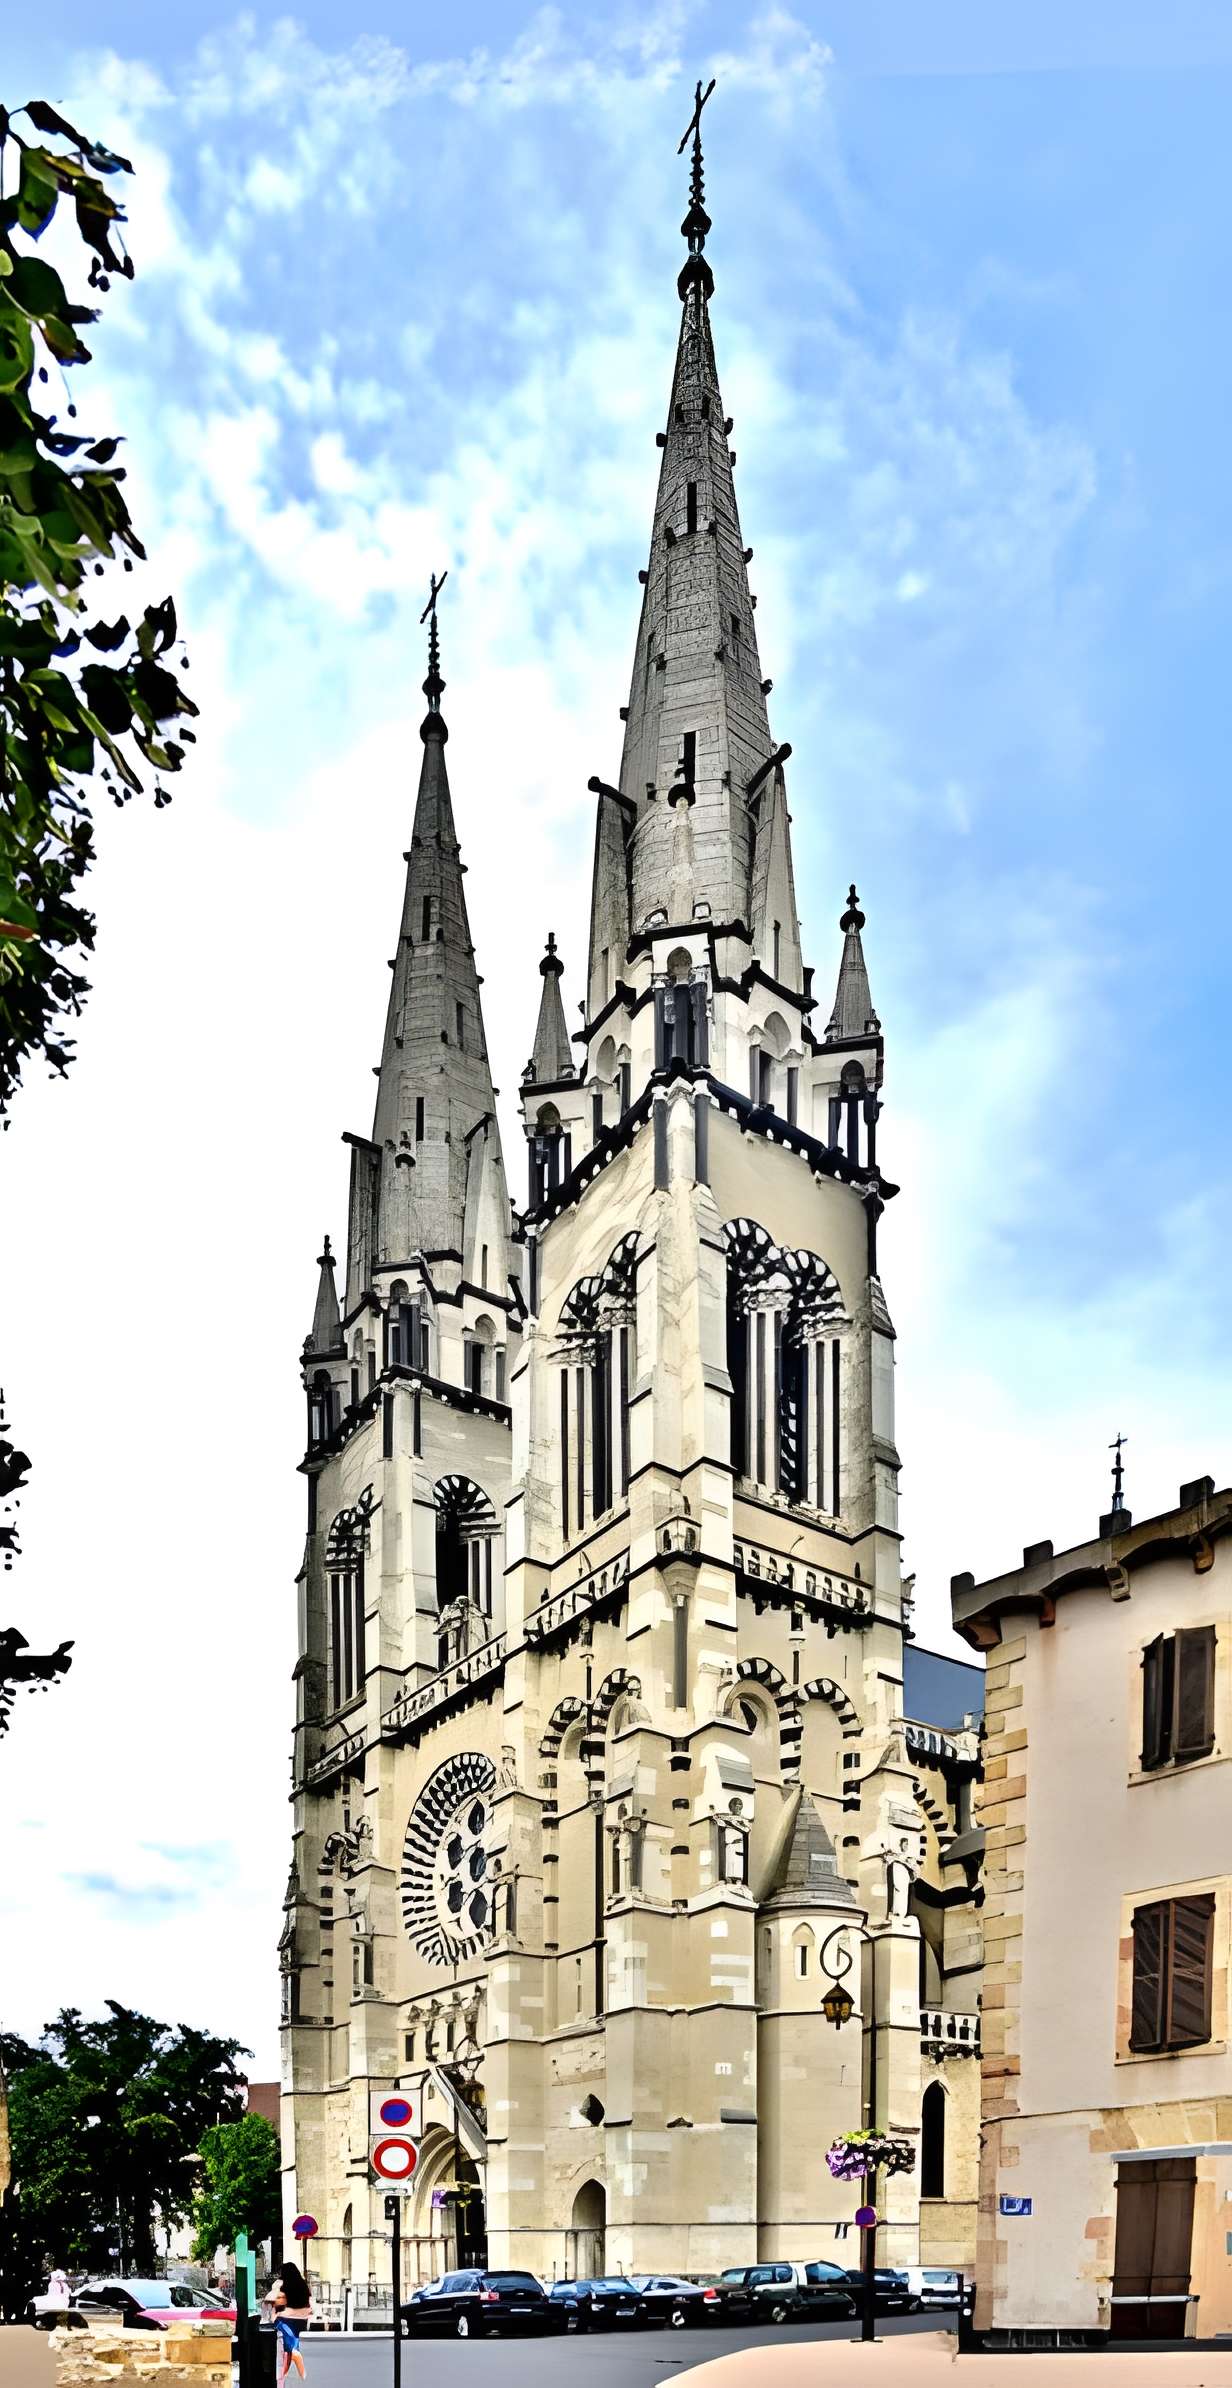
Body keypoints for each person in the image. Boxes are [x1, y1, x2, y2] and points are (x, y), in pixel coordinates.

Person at [263, 2261, 311, 2382]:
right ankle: (284, 2376)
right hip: (302, 2321)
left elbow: (269, 2299)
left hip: (287, 2319)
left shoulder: (284, 2286)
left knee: (290, 2350)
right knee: (289, 2350)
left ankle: (297, 2367)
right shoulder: (303, 2286)